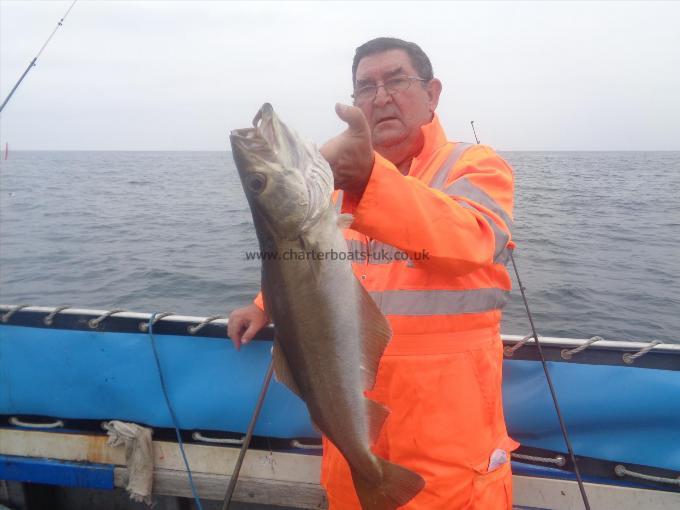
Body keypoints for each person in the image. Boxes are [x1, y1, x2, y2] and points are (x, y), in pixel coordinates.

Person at [228, 37, 517, 509]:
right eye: (366, 86)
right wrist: (265, 304)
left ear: (433, 93)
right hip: (352, 444)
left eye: (396, 80)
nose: (381, 96)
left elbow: (473, 239)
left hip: (449, 452)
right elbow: (315, 267)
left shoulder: (475, 166)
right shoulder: (336, 192)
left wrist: (368, 179)